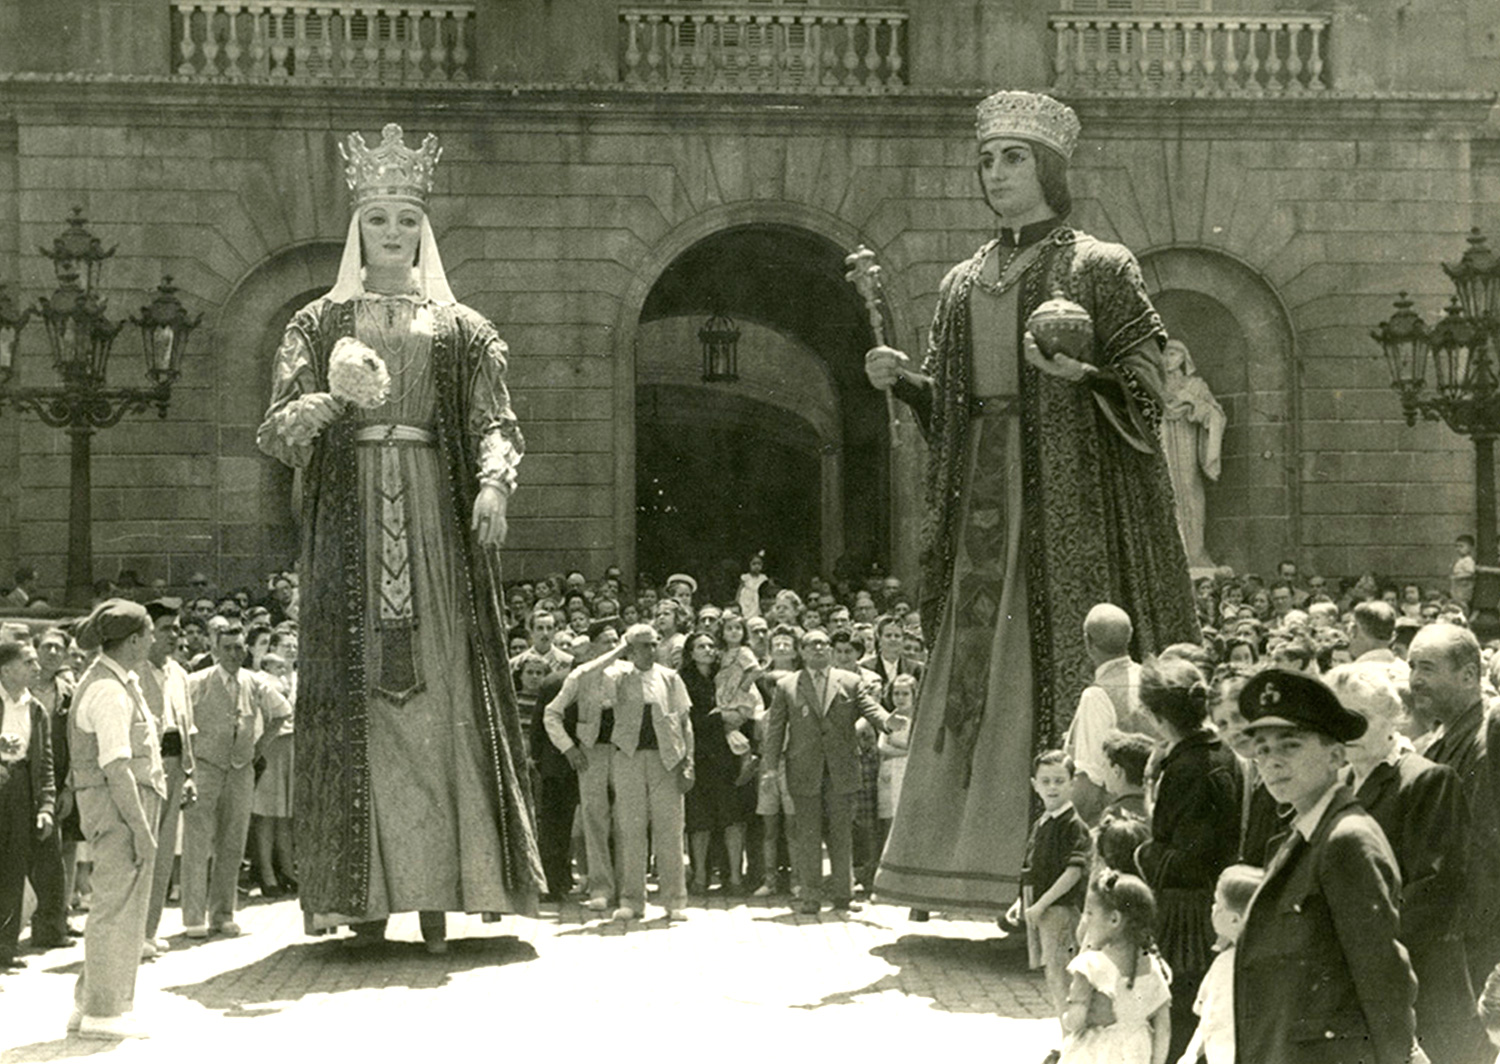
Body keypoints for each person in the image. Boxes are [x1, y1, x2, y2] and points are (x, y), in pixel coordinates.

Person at [868, 90, 1197, 916]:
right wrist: (903, 380)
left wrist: (1080, 377)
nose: (996, 173)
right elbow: (950, 404)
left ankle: (1070, 876)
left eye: (1013, 158)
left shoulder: (1102, 265)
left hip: (1071, 495)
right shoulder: (958, 281)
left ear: (1048, 166)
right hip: (983, 493)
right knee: (978, 669)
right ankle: (965, 873)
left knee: (1057, 661)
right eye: (987, 159)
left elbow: (1150, 387)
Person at [256, 123, 544, 940]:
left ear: (423, 229)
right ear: (359, 229)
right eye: (379, 218)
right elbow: (278, 431)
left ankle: (442, 890)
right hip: (350, 518)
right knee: (361, 699)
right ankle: (360, 895)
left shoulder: (461, 329)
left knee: (444, 689)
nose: (393, 232)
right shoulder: (316, 323)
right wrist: (325, 404)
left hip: (434, 517)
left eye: (406, 220)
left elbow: (498, 421)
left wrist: (492, 483)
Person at [1234, 669, 1420, 1064]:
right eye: (1263, 749)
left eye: (1290, 746)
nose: (1272, 762)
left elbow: (1383, 978)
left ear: (1336, 755)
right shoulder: (1302, 836)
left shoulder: (1346, 839)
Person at [1325, 661, 1486, 1064]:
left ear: (1394, 717)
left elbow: (1434, 892)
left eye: (1358, 719)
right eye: (1337, 720)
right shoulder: (1337, 786)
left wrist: (1362, 947)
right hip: (1358, 981)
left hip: (1421, 983)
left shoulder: (1426, 780)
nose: (1347, 732)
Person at [1132, 657, 1241, 1061]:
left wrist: (1143, 849)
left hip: (1185, 918)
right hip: (1210, 906)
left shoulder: (1187, 767)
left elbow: (1186, 859)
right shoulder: (1218, 752)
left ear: (1158, 717)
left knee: (1176, 1024)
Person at [67, 600, 166, 1039]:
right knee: (117, 910)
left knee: (118, 906)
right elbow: (116, 767)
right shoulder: (108, 689)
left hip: (120, 806)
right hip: (119, 809)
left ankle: (89, 1004)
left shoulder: (115, 679)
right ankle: (103, 1014)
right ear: (131, 641)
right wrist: (142, 832)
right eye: (147, 634)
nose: (153, 640)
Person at [763, 628, 889, 915]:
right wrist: (770, 769)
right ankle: (811, 896)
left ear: (830, 650)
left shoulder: (850, 681)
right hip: (803, 769)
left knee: (841, 833)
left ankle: (844, 895)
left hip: (840, 769)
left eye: (823, 643)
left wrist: (890, 722)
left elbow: (872, 709)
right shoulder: (787, 685)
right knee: (808, 834)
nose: (819, 648)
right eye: (812, 644)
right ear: (802, 651)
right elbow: (775, 729)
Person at [181, 623, 292, 939]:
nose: (234, 654)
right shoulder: (197, 682)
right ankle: (193, 917)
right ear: (215, 649)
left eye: (239, 647)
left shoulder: (254, 682)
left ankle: (223, 914)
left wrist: (259, 747)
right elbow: (180, 718)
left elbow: (282, 712)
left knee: (232, 842)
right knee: (197, 841)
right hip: (205, 767)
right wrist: (190, 760)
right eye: (227, 647)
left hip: (241, 768)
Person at [1409, 623, 1500, 990]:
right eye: (1412, 666)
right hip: (1447, 928)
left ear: (1468, 676)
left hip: (1475, 931)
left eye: (1427, 668)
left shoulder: (1489, 736)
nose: (1414, 679)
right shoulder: (1436, 743)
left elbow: (1480, 845)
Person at [600, 623, 694, 923]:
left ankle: (675, 900)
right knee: (631, 830)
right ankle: (631, 900)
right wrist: (619, 652)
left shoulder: (670, 678)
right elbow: (591, 675)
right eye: (643, 645)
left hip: (666, 759)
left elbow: (684, 722)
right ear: (631, 648)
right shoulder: (616, 675)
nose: (651, 650)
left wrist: (688, 761)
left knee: (670, 830)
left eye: (654, 644)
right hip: (628, 757)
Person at [543, 617, 625, 913]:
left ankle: (628, 888)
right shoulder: (579, 676)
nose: (614, 647)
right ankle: (601, 887)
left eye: (617, 641)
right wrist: (568, 749)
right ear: (591, 647)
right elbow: (551, 715)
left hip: (624, 752)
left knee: (627, 820)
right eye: (607, 642)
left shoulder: (628, 673)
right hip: (592, 753)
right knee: (595, 820)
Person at [1008, 749, 1090, 1026]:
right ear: (1035, 785)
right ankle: (1067, 1039)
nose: (1052, 787)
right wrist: (1021, 901)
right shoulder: (1042, 823)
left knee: (1064, 979)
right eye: (1046, 781)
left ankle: (1073, 1042)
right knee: (1053, 977)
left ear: (1072, 783)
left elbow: (1074, 871)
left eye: (1059, 780)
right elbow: (1032, 868)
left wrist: (1042, 903)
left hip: (1060, 911)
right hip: (1041, 910)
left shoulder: (1072, 825)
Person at [1059, 870, 1172, 1064]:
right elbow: (1164, 1028)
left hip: (1095, 1055)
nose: (1085, 920)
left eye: (1090, 913)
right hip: (1136, 1053)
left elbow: (1075, 1021)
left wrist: (1067, 1016)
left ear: (1114, 919)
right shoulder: (1152, 966)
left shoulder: (1090, 966)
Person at [136, 601, 197, 957]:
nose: (174, 636)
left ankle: (150, 929)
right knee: (144, 848)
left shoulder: (180, 674)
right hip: (147, 769)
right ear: (148, 633)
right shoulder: (135, 673)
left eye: (176, 628)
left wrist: (190, 775)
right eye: (165, 629)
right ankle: (134, 932)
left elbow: (188, 729)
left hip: (175, 765)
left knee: (163, 851)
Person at [1066, 604, 1153, 825]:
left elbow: (1089, 781)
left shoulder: (1096, 696)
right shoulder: (1154, 680)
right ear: (1130, 636)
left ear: (1088, 642)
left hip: (1118, 821)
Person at [682, 632, 750, 895]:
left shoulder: (726, 674)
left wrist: (732, 717)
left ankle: (734, 877)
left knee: (732, 817)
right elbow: (686, 719)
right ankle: (700, 876)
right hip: (698, 754)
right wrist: (720, 719)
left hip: (727, 756)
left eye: (711, 645)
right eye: (701, 646)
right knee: (699, 821)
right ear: (690, 652)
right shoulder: (682, 680)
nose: (708, 650)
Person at [0, 640, 54, 972]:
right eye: (28, 663)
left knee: (14, 869)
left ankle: (4, 948)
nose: (36, 668)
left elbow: (45, 762)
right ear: (6, 670)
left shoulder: (36, 709)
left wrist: (45, 805)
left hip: (20, 792)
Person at [1177, 864, 1262, 1064]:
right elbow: (1207, 1019)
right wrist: (1190, 1054)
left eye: (1218, 904)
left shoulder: (1259, 969)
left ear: (1234, 920)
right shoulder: (1222, 963)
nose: (1212, 909)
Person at [1099, 730, 1152, 822]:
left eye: (1104, 765)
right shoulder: (1157, 810)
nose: (1102, 769)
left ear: (1116, 771)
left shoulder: (1114, 815)